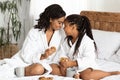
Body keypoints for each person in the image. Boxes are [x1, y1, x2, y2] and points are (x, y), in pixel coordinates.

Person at [0, 4, 66, 77]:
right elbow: (25, 54)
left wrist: (61, 61)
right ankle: (18, 71)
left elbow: (62, 52)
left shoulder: (61, 33)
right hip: (27, 62)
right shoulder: (35, 31)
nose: (61, 26)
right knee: (38, 69)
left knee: (61, 70)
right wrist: (42, 56)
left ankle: (39, 70)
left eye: (63, 23)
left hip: (49, 63)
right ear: (50, 19)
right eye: (59, 22)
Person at [56, 14, 120, 80]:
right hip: (70, 66)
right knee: (52, 68)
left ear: (73, 27)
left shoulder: (87, 41)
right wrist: (64, 61)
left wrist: (73, 63)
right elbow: (62, 53)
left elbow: (89, 59)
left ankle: (109, 73)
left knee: (86, 76)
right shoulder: (67, 40)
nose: (63, 28)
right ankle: (75, 75)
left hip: (85, 66)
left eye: (65, 26)